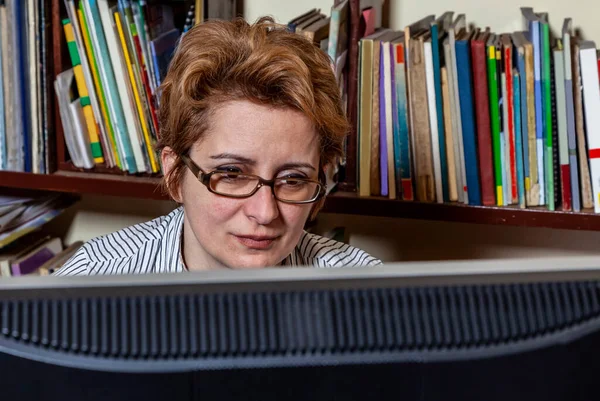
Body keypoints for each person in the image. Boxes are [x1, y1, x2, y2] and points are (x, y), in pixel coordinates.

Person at [55, 17, 381, 276]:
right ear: (174, 175)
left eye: (293, 179)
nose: (265, 213)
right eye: (231, 173)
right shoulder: (88, 281)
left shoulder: (367, 296)